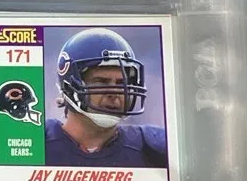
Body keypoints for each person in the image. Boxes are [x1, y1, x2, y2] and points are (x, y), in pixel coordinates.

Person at [45, 27, 166, 167]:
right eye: (101, 81)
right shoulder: (37, 142)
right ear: (70, 86)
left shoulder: (153, 148)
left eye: (121, 83)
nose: (114, 93)